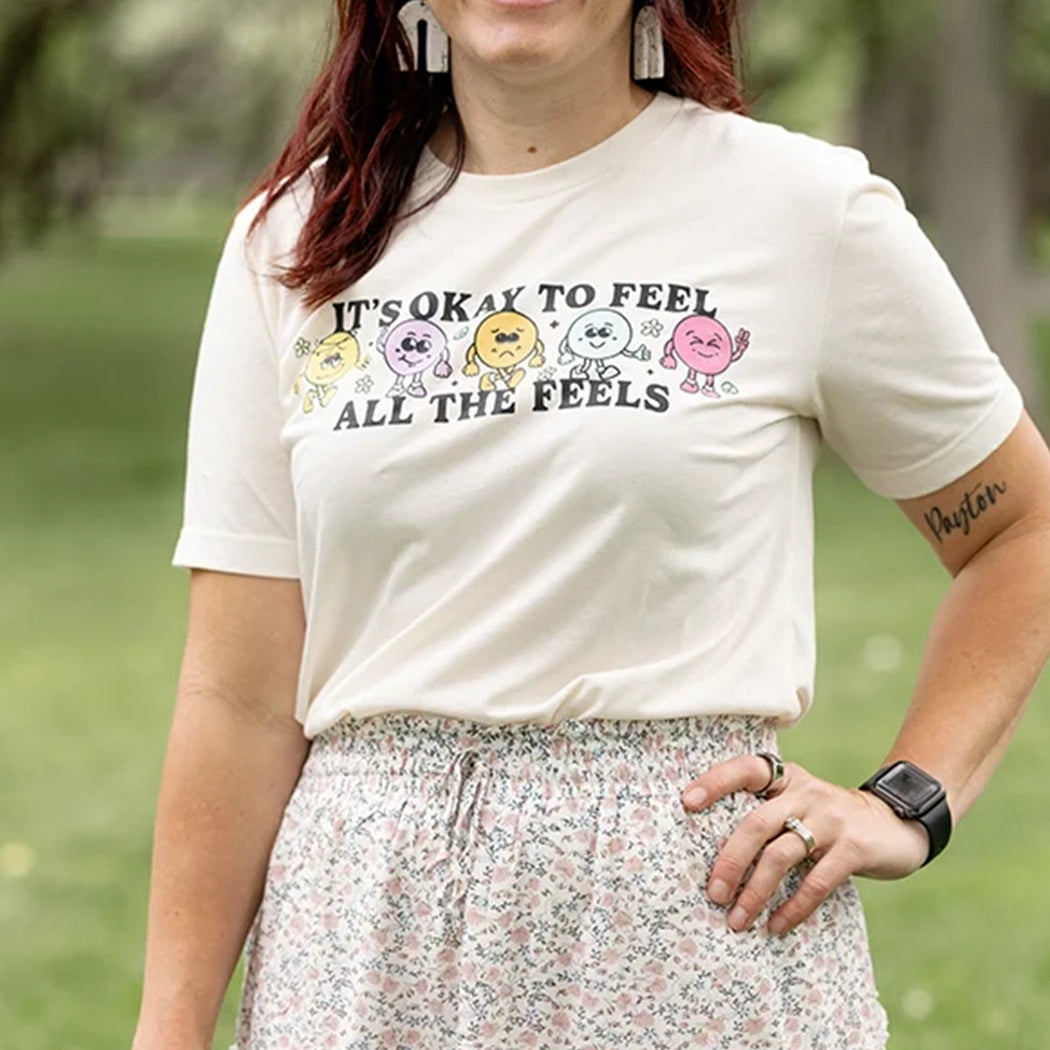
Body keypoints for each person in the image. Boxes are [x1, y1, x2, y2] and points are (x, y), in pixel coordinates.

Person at [131, 1, 1050, 1048]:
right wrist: (170, 1026)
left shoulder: (801, 209)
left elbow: (1021, 529)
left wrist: (907, 801)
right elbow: (239, 698)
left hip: (689, 935)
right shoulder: (296, 243)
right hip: (357, 943)